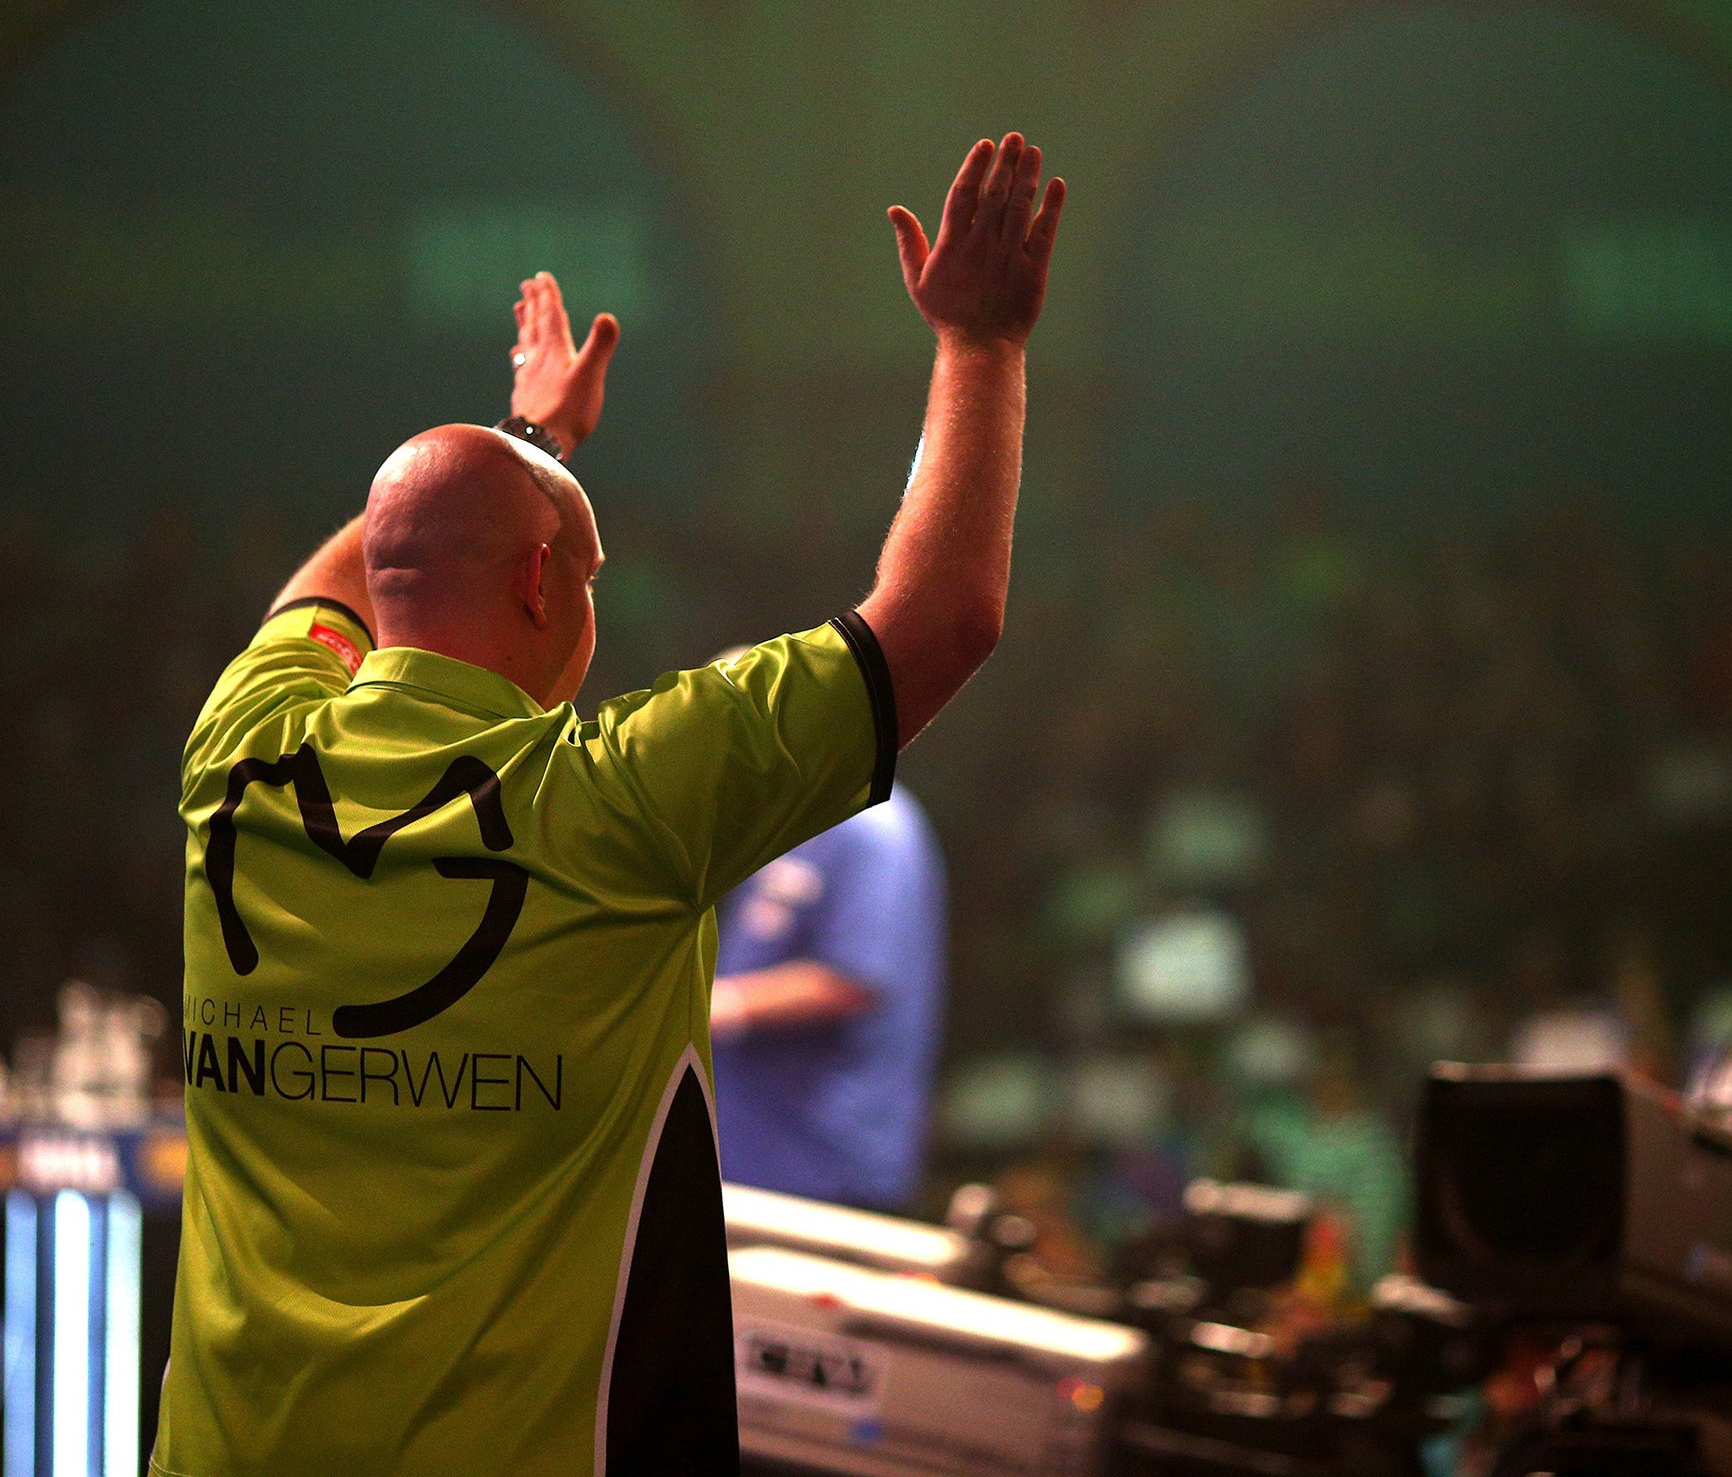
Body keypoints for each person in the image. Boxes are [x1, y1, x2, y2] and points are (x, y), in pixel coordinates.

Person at [156, 133, 1063, 1475]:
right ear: (540, 589)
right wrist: (981, 346)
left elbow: (343, 579)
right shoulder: (618, 802)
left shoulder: (235, 753)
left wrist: (521, 444)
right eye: (583, 575)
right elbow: (942, 620)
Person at [709, 779, 945, 1210]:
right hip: (746, 1143)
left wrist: (720, 1005)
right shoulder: (794, 817)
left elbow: (856, 978)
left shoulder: (874, 825)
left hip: (819, 1156)